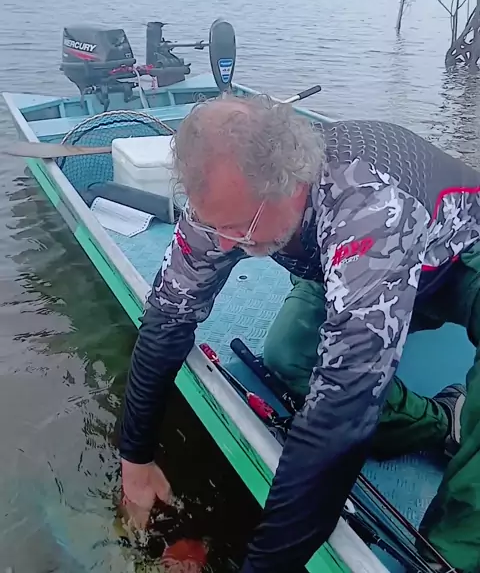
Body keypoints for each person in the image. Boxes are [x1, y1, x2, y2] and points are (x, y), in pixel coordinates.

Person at [118, 94, 480, 573]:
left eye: (237, 227)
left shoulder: (368, 204)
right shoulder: (228, 203)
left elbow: (342, 406)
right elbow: (167, 317)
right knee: (288, 357)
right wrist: (135, 461)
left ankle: (454, 554)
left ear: (288, 185)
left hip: (458, 259)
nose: (222, 244)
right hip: (352, 271)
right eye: (212, 224)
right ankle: (444, 419)